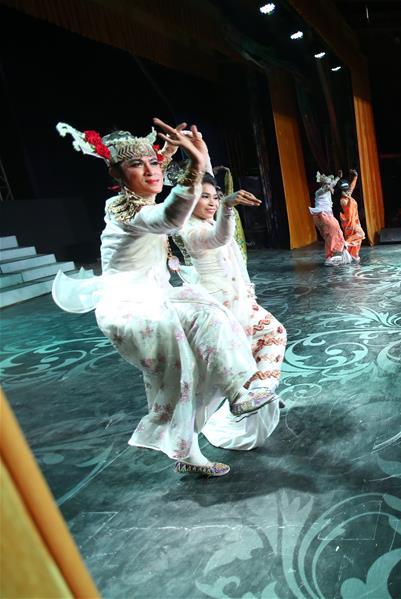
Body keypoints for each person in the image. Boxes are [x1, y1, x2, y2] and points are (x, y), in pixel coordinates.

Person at [53, 119, 276, 477]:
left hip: (159, 298)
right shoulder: (128, 212)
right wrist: (198, 165)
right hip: (133, 309)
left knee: (197, 353)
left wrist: (172, 153)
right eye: (135, 165)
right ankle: (229, 402)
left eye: (153, 163)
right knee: (187, 368)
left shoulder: (142, 202)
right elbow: (170, 217)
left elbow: (178, 195)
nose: (150, 170)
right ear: (116, 173)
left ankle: (226, 408)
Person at [174, 173, 284, 450]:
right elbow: (219, 237)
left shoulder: (208, 221)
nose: (212, 202)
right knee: (245, 353)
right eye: (204, 197)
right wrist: (227, 207)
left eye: (215, 197)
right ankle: (252, 398)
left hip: (238, 299)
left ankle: (260, 392)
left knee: (266, 338)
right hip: (219, 306)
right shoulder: (189, 229)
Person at [309, 171, 348, 266]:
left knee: (332, 235)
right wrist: (328, 187)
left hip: (326, 216)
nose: (329, 185)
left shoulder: (329, 187)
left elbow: (333, 183)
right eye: (327, 184)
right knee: (335, 229)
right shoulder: (318, 192)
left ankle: (329, 257)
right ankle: (336, 252)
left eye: (329, 184)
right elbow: (325, 189)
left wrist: (338, 177)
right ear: (322, 184)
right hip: (322, 215)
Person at [339, 168, 366, 263]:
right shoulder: (343, 200)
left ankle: (353, 254)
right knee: (361, 234)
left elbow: (352, 187)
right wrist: (349, 198)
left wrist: (355, 177)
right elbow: (348, 211)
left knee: (358, 239)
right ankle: (345, 243)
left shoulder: (348, 195)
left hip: (355, 221)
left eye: (348, 190)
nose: (349, 191)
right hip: (349, 222)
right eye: (346, 190)